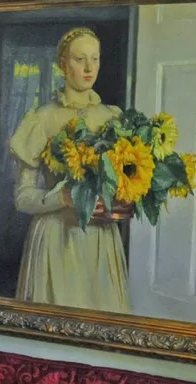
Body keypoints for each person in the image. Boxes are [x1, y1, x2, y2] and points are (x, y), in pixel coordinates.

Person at [8, 27, 130, 313]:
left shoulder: (113, 118)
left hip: (100, 241)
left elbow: (126, 187)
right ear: (63, 64)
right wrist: (63, 198)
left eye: (95, 59)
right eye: (79, 59)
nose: (89, 68)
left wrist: (122, 203)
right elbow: (22, 197)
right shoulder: (42, 118)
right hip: (56, 240)